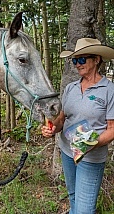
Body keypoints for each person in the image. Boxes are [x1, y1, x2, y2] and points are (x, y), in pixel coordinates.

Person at [41, 38, 114, 214]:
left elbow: (112, 128)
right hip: (67, 151)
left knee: (85, 209)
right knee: (73, 196)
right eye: (75, 60)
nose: (77, 64)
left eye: (82, 60)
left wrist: (93, 143)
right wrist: (52, 128)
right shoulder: (71, 88)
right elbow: (62, 118)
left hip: (91, 157)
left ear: (96, 60)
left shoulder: (109, 89)